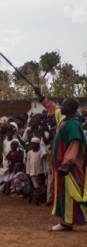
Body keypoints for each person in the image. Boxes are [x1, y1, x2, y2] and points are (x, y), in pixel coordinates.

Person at [35, 87, 87, 231]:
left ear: (70, 109)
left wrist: (66, 165)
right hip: (62, 168)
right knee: (64, 194)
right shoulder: (63, 119)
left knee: (74, 193)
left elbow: (73, 146)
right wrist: (40, 96)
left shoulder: (73, 125)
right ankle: (66, 221)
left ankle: (68, 221)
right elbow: (53, 108)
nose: (61, 107)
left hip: (71, 168)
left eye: (64, 105)